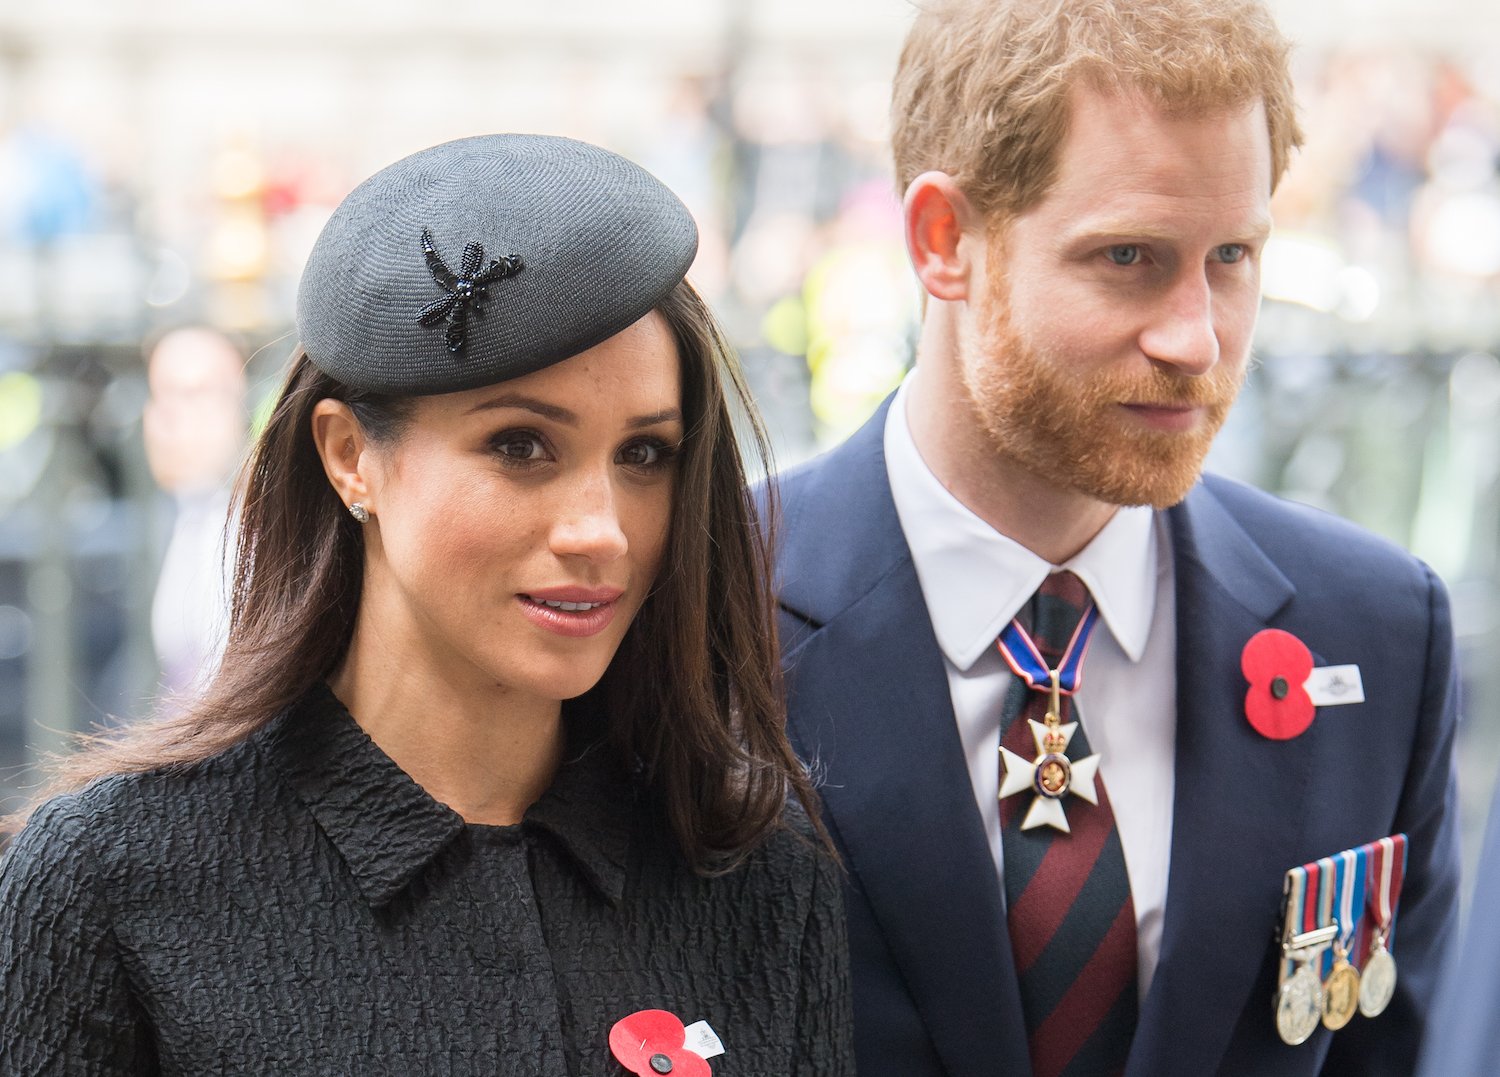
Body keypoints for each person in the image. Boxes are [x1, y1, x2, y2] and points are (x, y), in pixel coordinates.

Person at [0, 134, 852, 1075]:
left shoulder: (757, 873)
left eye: (643, 454)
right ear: (349, 456)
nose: (602, 529)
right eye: (522, 446)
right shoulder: (111, 883)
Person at [770, 2, 1459, 1076]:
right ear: (944, 241)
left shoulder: (1377, 632)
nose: (1197, 338)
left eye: (1231, 255)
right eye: (1128, 257)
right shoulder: (701, 605)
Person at [141, 326, 249, 701]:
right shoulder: (173, 518)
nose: (168, 418)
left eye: (193, 394)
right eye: (160, 395)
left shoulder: (261, 526)